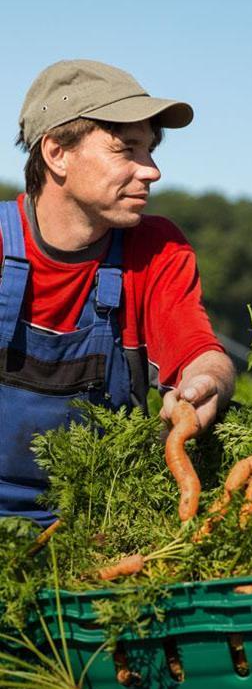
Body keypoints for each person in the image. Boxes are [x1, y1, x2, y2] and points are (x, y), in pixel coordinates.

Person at [0, 59, 235, 526]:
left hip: (97, 527)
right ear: (56, 153)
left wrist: (208, 384)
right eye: (126, 150)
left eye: (149, 151)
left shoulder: (155, 248)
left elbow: (198, 351)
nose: (151, 172)